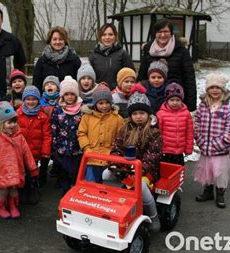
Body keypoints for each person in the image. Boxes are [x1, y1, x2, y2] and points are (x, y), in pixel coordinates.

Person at [108, 91, 162, 232]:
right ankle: (112, 206)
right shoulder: (125, 129)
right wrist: (115, 164)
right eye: (135, 113)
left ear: (148, 114)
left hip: (146, 170)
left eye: (142, 113)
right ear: (131, 115)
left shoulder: (154, 132)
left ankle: (153, 215)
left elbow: (153, 156)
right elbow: (116, 148)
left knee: (141, 186)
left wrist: (138, 170)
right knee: (105, 175)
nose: (138, 117)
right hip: (126, 168)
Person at [0, 101, 38, 219]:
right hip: (1, 172)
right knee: (3, 191)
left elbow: (27, 153)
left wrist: (32, 168)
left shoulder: (19, 137)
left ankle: (13, 206)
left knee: (14, 190)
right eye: (9, 122)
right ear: (2, 123)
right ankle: (1, 207)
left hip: (16, 170)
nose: (12, 125)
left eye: (14, 122)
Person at [194, 73, 230, 208]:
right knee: (207, 170)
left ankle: (220, 194)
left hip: (220, 148)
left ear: (223, 89)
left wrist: (223, 141)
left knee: (219, 172)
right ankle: (208, 192)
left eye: (217, 88)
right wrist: (199, 138)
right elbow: (197, 121)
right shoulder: (203, 104)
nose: (214, 90)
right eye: (211, 87)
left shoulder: (228, 106)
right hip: (205, 146)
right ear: (207, 89)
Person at [137, 18, 197, 112]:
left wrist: (191, 106)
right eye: (159, 32)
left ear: (171, 33)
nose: (162, 35)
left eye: (166, 31)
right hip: (151, 100)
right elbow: (142, 77)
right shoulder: (148, 51)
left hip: (175, 101)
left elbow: (189, 79)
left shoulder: (181, 51)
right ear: (155, 33)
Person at [77, 83, 124, 183]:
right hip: (91, 157)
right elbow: (81, 133)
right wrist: (86, 148)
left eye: (107, 102)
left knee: (107, 188)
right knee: (90, 185)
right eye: (101, 103)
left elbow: (121, 137)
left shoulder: (117, 119)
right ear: (95, 104)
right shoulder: (87, 117)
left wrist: (114, 152)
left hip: (109, 159)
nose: (104, 106)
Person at [16, 86, 51, 203]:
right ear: (24, 100)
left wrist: (45, 151)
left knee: (32, 171)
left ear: (38, 100)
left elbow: (47, 135)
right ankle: (22, 190)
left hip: (35, 150)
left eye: (34, 99)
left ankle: (33, 188)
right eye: (28, 99)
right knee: (21, 171)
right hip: (21, 151)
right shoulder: (18, 114)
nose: (31, 102)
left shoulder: (43, 116)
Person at [51, 76, 83, 195]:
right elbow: (54, 127)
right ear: (62, 95)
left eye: (72, 94)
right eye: (67, 94)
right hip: (62, 147)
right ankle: (65, 189)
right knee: (64, 170)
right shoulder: (58, 108)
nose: (69, 97)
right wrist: (55, 144)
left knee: (75, 171)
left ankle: (75, 189)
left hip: (76, 147)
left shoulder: (81, 109)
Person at [32, 26, 81, 92]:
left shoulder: (74, 59)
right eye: (54, 39)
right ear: (50, 41)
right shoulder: (42, 61)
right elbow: (36, 84)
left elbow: (79, 82)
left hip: (69, 99)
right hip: (46, 100)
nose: (57, 42)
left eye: (60, 39)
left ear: (65, 41)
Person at [156, 82, 193, 165]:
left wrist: (188, 148)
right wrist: (158, 148)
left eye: (178, 100)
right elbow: (158, 133)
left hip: (179, 151)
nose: (175, 103)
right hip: (165, 150)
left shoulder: (186, 114)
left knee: (178, 172)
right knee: (166, 172)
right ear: (167, 100)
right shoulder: (161, 114)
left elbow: (189, 132)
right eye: (172, 100)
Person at [89, 23, 134, 88]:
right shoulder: (93, 56)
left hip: (119, 94)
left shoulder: (123, 54)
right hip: (99, 94)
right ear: (100, 37)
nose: (107, 37)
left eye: (110, 34)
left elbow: (131, 76)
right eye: (104, 35)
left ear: (115, 36)